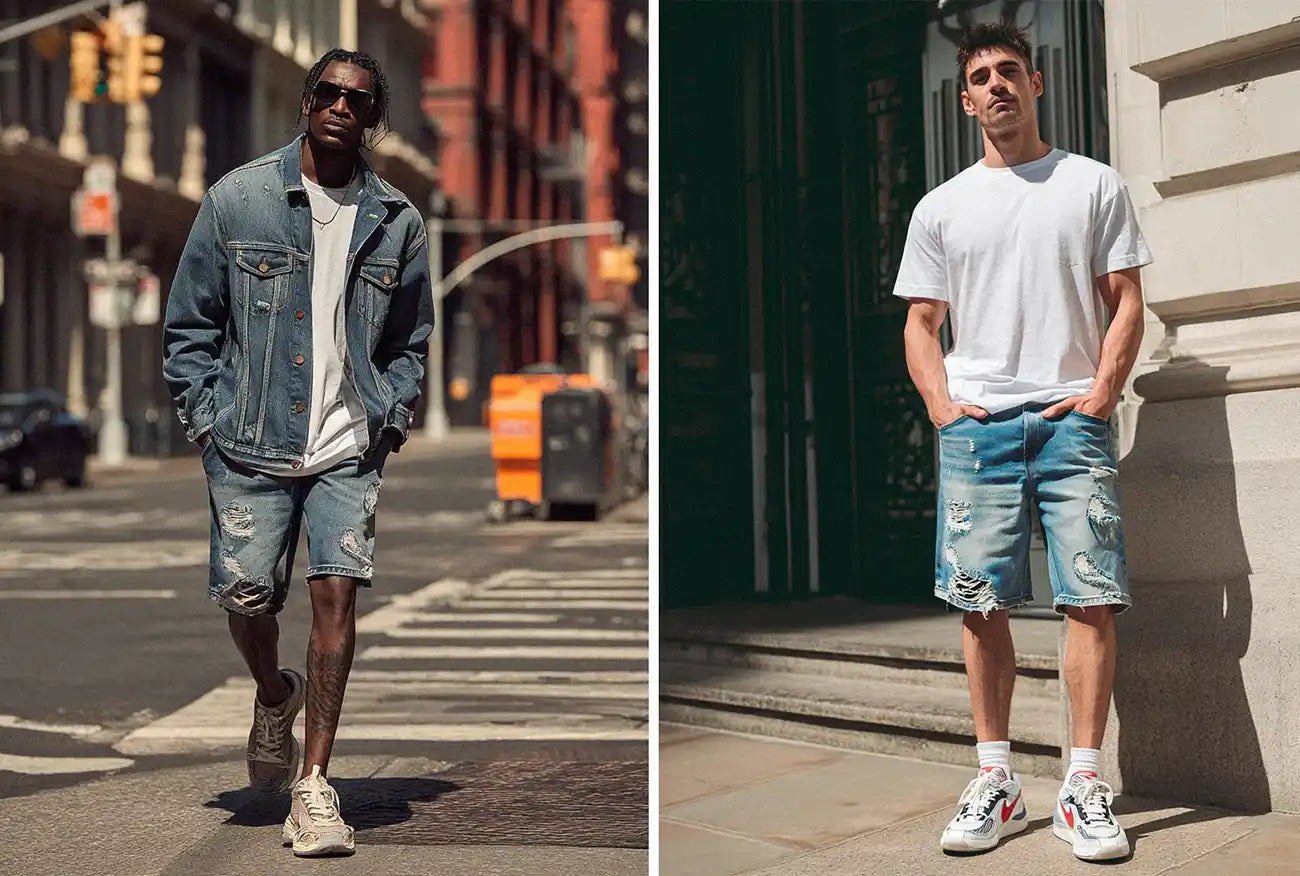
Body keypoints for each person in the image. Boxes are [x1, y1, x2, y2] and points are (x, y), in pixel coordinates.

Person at [162, 48, 433, 858]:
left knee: (336, 600)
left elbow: (409, 341)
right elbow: (189, 327)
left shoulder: (399, 222)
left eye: (359, 98)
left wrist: (390, 417)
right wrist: (206, 423)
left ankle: (314, 786)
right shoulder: (237, 200)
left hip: (348, 444)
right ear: (306, 102)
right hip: (246, 441)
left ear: (375, 118)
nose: (341, 106)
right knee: (248, 599)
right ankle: (272, 693)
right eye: (328, 92)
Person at [893, 20, 1151, 863]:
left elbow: (1127, 303)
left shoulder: (1092, 184)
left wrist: (1101, 395)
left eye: (1011, 71)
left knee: (1092, 597)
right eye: (982, 77)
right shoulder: (942, 206)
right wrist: (942, 408)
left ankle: (1083, 784)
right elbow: (921, 324)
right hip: (979, 430)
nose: (998, 85)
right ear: (964, 101)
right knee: (980, 604)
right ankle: (997, 780)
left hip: (1071, 422)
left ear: (1036, 85)